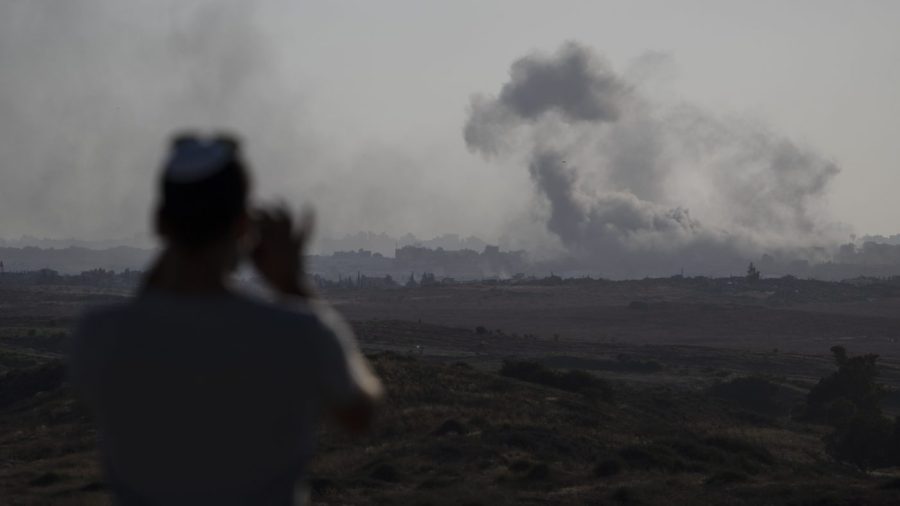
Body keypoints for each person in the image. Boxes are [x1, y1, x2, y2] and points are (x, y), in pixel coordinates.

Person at [69, 133, 382, 506]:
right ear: (242, 227)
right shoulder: (299, 334)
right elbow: (362, 415)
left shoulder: (99, 336)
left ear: (160, 222)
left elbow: (144, 311)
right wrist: (293, 284)